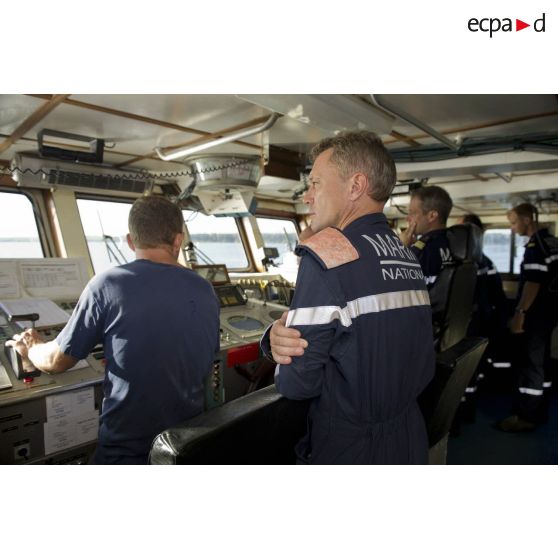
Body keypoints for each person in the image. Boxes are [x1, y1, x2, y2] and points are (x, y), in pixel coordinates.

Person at [261, 130, 435, 464]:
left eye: (316, 183)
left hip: (351, 448)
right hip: (410, 436)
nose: (308, 197)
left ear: (355, 186)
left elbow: (297, 384)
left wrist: (273, 340)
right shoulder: (406, 255)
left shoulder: (326, 256)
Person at [6, 195, 220, 463]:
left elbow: (56, 362)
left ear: (130, 241)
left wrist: (31, 346)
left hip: (126, 450)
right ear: (179, 240)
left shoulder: (106, 285)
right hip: (185, 444)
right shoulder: (205, 289)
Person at [496, 203, 558, 432]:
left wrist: (520, 313)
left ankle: (526, 417)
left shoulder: (535, 246)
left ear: (527, 219)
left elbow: (533, 282)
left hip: (537, 315)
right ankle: (539, 411)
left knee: (532, 365)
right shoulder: (551, 242)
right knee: (543, 365)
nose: (512, 229)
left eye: (514, 223)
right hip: (550, 314)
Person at [400, 185, 454, 289]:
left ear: (432, 216)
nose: (408, 218)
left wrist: (400, 249)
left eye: (412, 213)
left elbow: (393, 287)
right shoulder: (457, 244)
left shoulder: (420, 252)